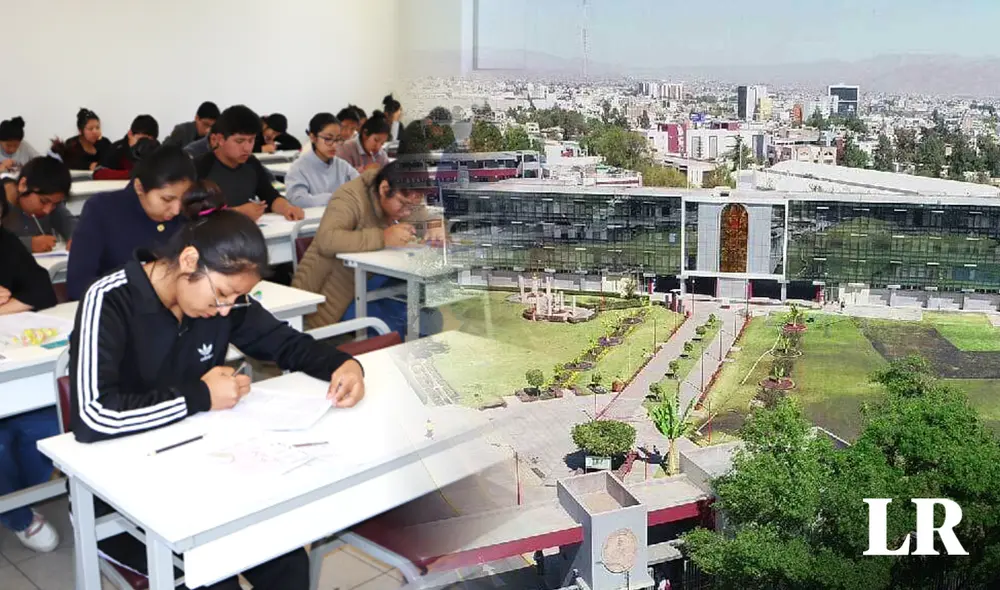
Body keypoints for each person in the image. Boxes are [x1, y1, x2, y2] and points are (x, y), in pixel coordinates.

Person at [69, 198, 365, 590]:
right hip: (124, 495)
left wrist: (343, 364)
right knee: (214, 579)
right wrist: (200, 396)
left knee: (287, 561)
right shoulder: (110, 298)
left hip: (203, 474)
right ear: (190, 260)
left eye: (236, 299)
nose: (227, 310)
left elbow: (283, 342)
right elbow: (93, 417)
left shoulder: (224, 302)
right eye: (223, 294)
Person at [292, 161, 445, 335]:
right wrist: (383, 237)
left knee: (429, 320)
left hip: (380, 280)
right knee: (390, 331)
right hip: (341, 291)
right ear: (384, 189)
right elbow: (326, 240)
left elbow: (424, 217)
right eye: (402, 205)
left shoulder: (406, 195)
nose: (407, 213)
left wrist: (434, 226)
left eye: (413, 206)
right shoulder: (349, 196)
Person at [67, 145, 204, 301]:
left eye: (184, 199)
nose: (176, 210)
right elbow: (79, 284)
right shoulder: (102, 210)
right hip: (117, 312)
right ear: (139, 187)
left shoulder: (188, 215)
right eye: (167, 199)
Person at [194, 105, 304, 222]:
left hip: (247, 233)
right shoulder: (200, 167)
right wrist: (237, 212)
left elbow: (271, 196)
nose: (247, 148)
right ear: (220, 139)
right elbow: (192, 213)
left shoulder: (251, 163)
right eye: (239, 141)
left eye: (251, 140)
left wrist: (287, 208)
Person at [284, 113, 359, 208]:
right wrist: (336, 197)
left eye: (338, 139)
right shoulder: (299, 167)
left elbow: (361, 188)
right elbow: (298, 200)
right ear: (313, 138)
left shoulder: (342, 165)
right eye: (328, 139)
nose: (334, 145)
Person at [2, 156, 75, 253]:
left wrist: (76, 237)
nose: (47, 210)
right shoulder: (2, 203)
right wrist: (29, 244)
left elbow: (69, 223)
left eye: (55, 204)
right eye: (43, 201)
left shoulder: (52, 202)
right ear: (23, 185)